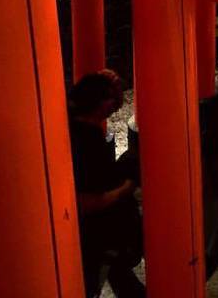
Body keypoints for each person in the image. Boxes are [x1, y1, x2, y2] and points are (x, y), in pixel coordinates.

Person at [67, 70, 145, 298]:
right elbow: (88, 203)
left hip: (94, 229)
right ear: (101, 104)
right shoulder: (87, 145)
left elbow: (113, 103)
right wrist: (126, 189)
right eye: (111, 98)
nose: (116, 104)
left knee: (118, 273)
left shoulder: (69, 121)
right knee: (92, 281)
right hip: (96, 230)